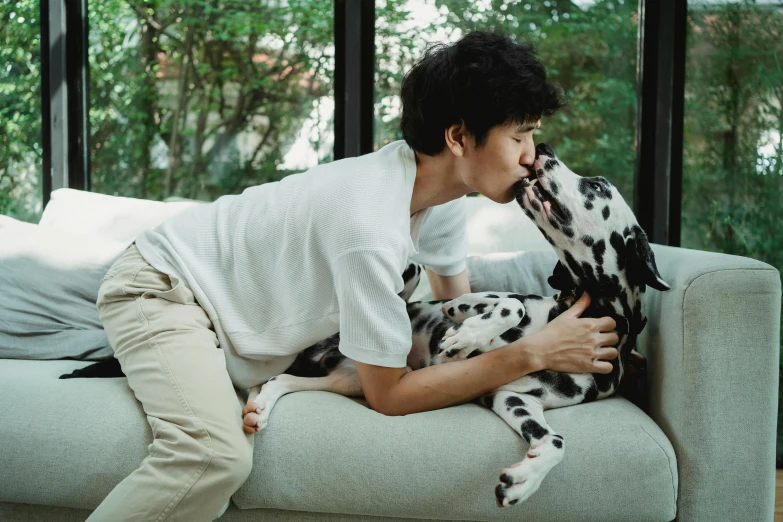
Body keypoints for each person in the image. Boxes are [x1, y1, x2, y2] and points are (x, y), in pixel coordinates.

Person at [88, 30, 620, 522]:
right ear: (459, 137)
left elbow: (454, 322)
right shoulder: (370, 226)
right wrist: (535, 352)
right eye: (520, 136)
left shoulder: (442, 194)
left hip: (226, 316)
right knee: (213, 458)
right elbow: (389, 396)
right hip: (162, 288)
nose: (533, 157)